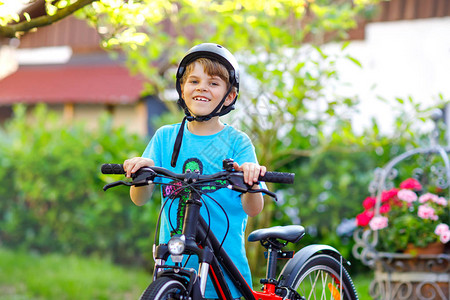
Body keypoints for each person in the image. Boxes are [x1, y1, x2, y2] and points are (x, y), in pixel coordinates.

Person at [123, 43, 266, 299]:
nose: (202, 87)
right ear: (182, 88)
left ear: (229, 96)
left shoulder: (237, 143)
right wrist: (141, 173)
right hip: (173, 267)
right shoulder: (165, 138)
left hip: (224, 270)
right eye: (194, 80)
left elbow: (253, 208)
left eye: (213, 83)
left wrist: (251, 179)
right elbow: (139, 199)